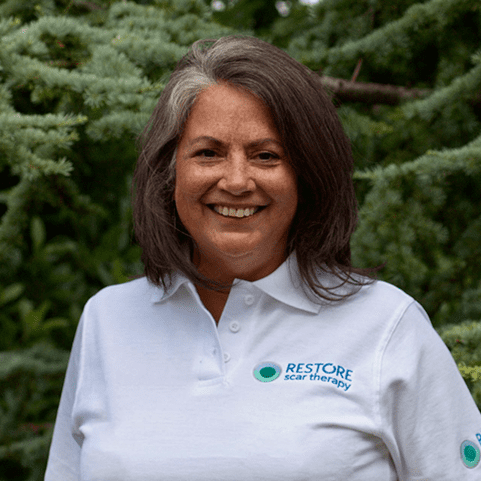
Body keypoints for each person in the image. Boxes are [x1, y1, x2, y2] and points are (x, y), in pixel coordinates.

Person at [45, 35, 481, 480]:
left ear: (307, 175)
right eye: (208, 153)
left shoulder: (387, 326)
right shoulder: (107, 320)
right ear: (170, 170)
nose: (236, 181)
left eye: (266, 156)